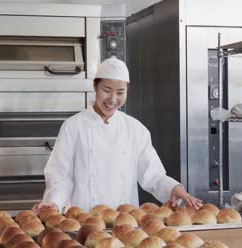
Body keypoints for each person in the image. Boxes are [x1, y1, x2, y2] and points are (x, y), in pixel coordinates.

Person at [33, 57, 202, 214]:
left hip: (125, 224)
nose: (112, 99)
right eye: (107, 90)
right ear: (95, 87)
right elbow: (60, 175)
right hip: (84, 222)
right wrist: (54, 202)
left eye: (120, 93)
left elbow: (153, 175)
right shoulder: (73, 126)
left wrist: (174, 188)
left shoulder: (135, 129)